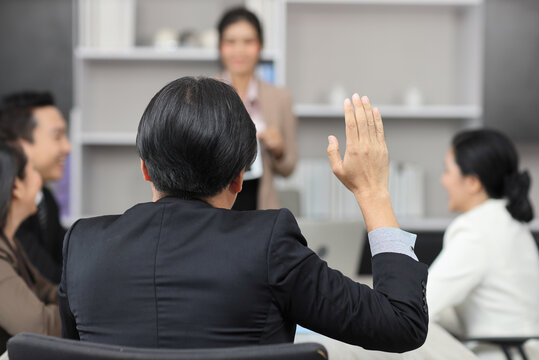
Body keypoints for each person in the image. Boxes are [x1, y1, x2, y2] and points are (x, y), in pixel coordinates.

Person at [58, 77, 428, 351]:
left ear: (145, 169)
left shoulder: (83, 245)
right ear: (239, 178)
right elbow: (400, 324)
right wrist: (373, 192)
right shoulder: (267, 244)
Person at [427, 129, 539, 342]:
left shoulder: (474, 230)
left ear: (472, 182)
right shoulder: (510, 221)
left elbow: (420, 307)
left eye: (447, 171)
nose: (443, 180)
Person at [217, 7, 297, 210]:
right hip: (215, 208)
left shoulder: (280, 98)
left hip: (261, 208)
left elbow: (288, 169)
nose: (239, 50)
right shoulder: (204, 92)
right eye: (231, 42)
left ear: (260, 45)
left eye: (248, 41)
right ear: (220, 47)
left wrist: (279, 150)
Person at [0, 91, 71, 284]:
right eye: (58, 136)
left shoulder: (45, 199)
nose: (68, 147)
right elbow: (51, 280)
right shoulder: (8, 209)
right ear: (20, 145)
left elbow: (68, 255)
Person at [0, 134, 61, 354]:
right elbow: (41, 327)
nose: (40, 181)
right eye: (34, 170)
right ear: (16, 186)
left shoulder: (11, 242)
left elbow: (46, 290)